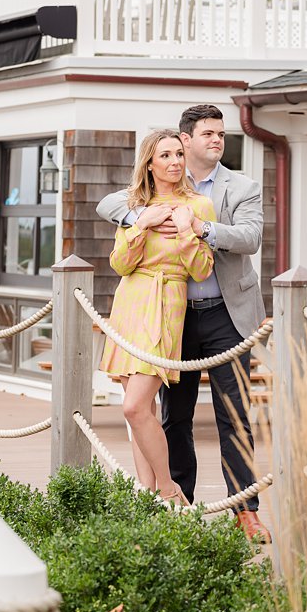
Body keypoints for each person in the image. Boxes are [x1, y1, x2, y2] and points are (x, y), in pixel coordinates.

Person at [97, 105, 271, 542]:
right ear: (184, 139)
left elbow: (249, 238)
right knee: (175, 416)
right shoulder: (152, 189)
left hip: (225, 315)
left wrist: (201, 228)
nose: (217, 139)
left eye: (221, 133)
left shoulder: (237, 188)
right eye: (208, 133)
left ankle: (244, 509)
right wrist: (141, 218)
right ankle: (177, 504)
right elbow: (112, 204)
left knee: (235, 415)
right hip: (170, 318)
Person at [98, 129, 215, 504]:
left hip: (167, 302)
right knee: (140, 411)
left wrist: (185, 232)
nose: (175, 162)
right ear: (149, 163)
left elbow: (202, 270)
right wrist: (142, 224)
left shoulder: (198, 206)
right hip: (131, 302)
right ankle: (147, 497)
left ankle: (168, 487)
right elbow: (120, 263)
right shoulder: (135, 206)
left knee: (134, 406)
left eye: (179, 154)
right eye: (165, 155)